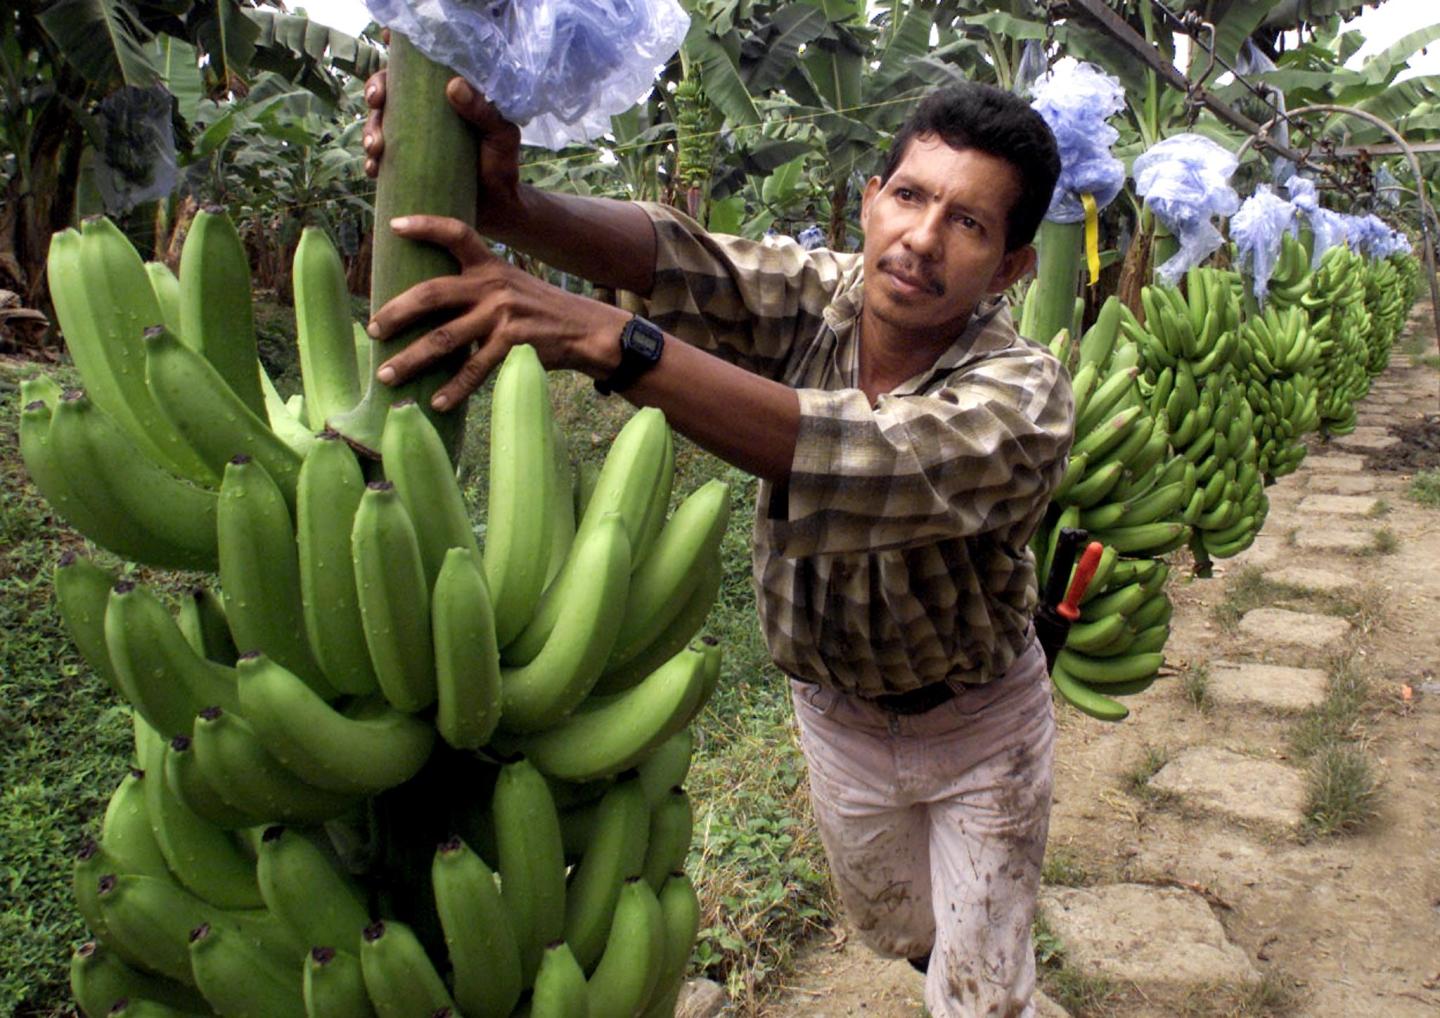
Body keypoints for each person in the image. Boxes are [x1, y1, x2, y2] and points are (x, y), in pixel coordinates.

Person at [362, 72, 1070, 1018]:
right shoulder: (823, 298)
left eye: (970, 225)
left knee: (982, 989)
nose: (923, 240)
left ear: (1013, 268)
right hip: (837, 717)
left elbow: (863, 458)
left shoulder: (1022, 398)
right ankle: (954, 963)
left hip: (978, 725)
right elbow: (685, 258)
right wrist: (508, 204)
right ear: (873, 198)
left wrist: (617, 341)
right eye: (909, 196)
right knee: (897, 929)